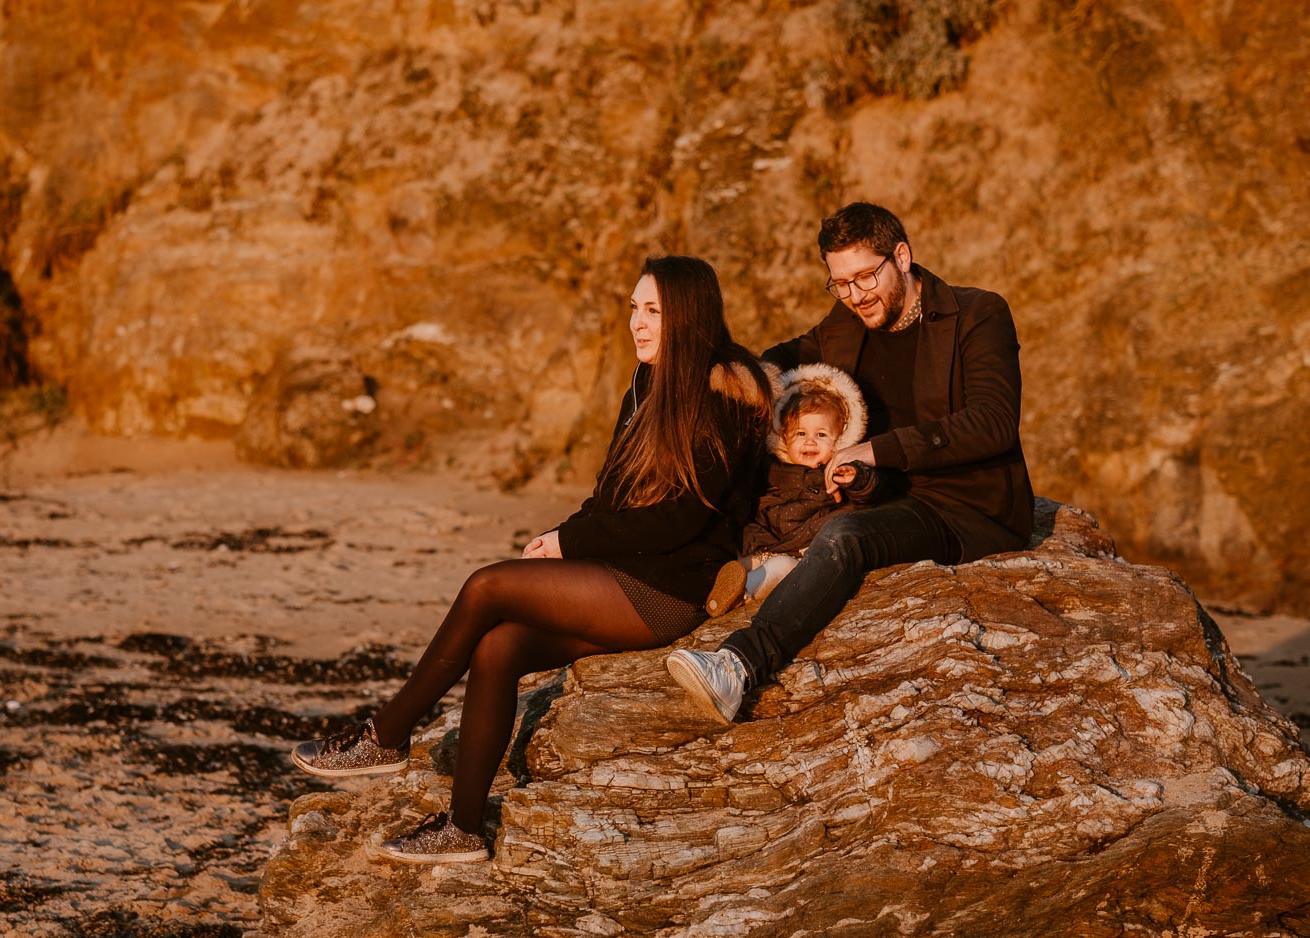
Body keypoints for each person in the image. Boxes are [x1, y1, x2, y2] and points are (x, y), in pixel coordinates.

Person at [292, 255, 771, 863]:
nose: (637, 324)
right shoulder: (647, 384)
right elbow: (609, 495)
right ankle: (463, 830)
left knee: (488, 587)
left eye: (653, 311)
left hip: (671, 587)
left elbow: (680, 520)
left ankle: (387, 734)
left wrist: (573, 545)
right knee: (498, 647)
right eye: (633, 308)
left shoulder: (722, 394)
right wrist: (562, 533)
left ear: (690, 318)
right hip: (623, 571)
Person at [667, 201, 1035, 724]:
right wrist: (720, 374)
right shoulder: (848, 319)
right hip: (874, 490)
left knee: (844, 539)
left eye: (865, 277)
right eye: (839, 283)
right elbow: (787, 357)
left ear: (901, 257)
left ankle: (739, 667)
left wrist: (874, 450)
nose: (855, 295)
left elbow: (994, 422)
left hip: (958, 506)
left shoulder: (979, 314)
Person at [703, 362, 897, 618]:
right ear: (784, 436)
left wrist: (855, 478)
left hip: (796, 552)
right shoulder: (772, 468)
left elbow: (871, 491)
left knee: (781, 570)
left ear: (839, 440)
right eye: (801, 433)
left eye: (821, 435)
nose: (810, 441)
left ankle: (744, 593)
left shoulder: (838, 471)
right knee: (736, 560)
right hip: (761, 543)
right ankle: (718, 589)